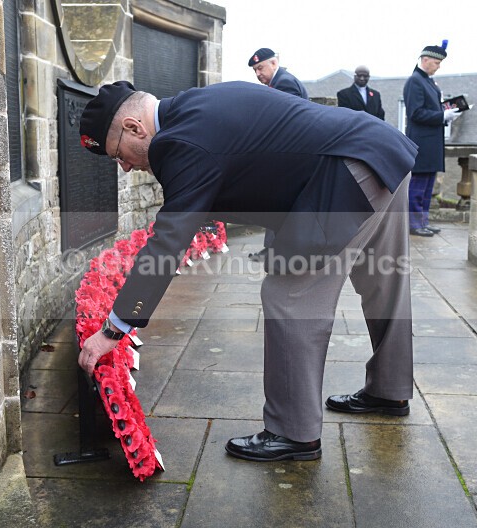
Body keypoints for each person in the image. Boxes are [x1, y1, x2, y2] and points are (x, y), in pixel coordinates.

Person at [77, 80, 417, 462]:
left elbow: (168, 242)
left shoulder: (180, 141)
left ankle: (294, 433)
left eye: (118, 154)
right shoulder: (193, 104)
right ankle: (390, 390)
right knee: (384, 282)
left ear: (134, 128)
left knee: (290, 294)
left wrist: (114, 329)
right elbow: (274, 155)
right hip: (381, 150)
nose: (124, 167)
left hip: (348, 171)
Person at [247, 47, 309, 262]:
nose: (258, 74)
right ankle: (273, 249)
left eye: (260, 67)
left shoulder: (285, 83)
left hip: (289, 154)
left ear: (274, 63)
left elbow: (284, 122)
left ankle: (278, 250)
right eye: (255, 70)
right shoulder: (279, 81)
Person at [403, 41, 462, 237]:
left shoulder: (427, 81)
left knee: (428, 187)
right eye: (436, 62)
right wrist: (442, 116)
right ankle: (413, 223)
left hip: (432, 142)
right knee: (418, 186)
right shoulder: (415, 81)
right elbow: (415, 113)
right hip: (421, 142)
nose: (438, 66)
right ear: (425, 59)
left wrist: (447, 111)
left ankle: (423, 221)